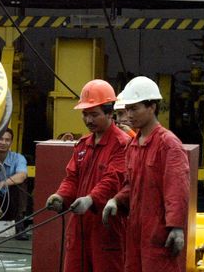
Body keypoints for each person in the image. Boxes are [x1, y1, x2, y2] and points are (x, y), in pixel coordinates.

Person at [102, 76, 189, 272]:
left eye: (134, 109)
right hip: (135, 232)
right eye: (127, 109)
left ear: (152, 107)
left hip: (159, 233)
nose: (129, 115)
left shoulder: (168, 144)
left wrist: (176, 227)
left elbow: (177, 189)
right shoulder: (133, 145)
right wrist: (116, 200)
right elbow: (131, 185)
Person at [46, 79, 129, 272]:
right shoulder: (83, 145)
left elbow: (113, 180)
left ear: (109, 113)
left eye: (94, 114)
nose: (88, 120)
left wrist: (91, 199)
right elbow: (72, 178)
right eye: (85, 114)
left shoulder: (122, 144)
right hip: (79, 227)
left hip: (107, 225)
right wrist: (61, 196)